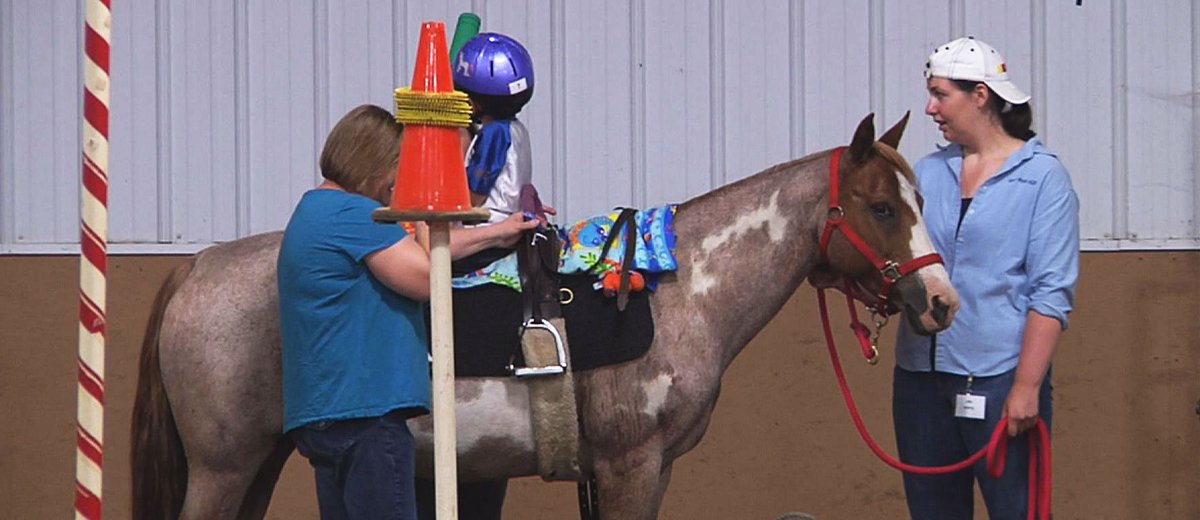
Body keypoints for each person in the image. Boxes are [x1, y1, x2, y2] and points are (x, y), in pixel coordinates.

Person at [277, 104, 538, 519]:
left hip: (328, 414)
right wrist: (423, 204)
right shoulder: (355, 214)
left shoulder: (314, 210)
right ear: (374, 163)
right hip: (367, 415)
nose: (397, 181)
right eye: (397, 168)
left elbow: (418, 252)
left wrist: (498, 233)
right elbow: (426, 277)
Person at [892, 36, 1080, 519]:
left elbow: (1051, 293)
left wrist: (1026, 387)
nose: (930, 109)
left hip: (999, 379)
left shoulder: (1043, 178)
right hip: (919, 379)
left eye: (940, 95)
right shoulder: (926, 173)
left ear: (980, 96)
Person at [452, 32, 538, 224]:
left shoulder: (494, 134)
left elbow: (474, 197)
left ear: (473, 103)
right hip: (509, 220)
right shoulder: (517, 130)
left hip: (489, 224)